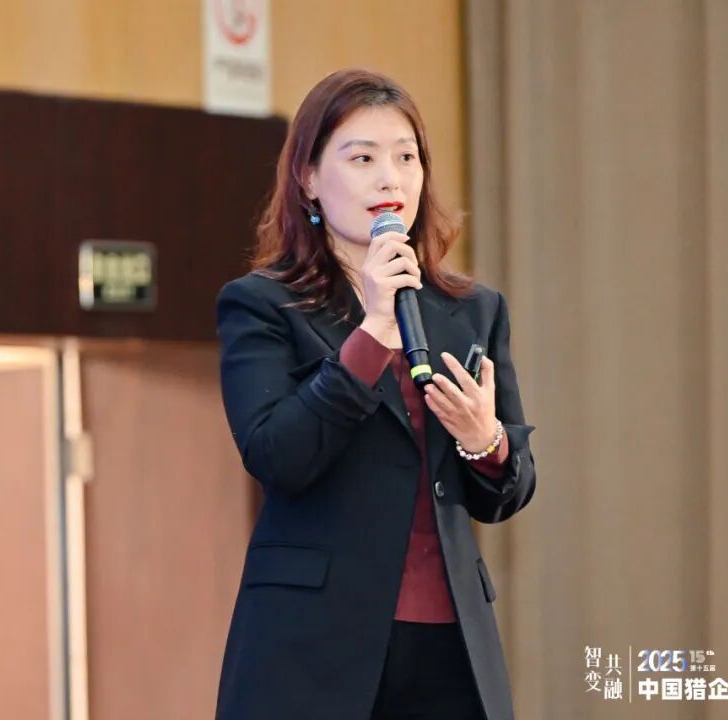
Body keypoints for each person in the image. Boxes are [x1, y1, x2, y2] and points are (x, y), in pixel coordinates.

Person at [214, 68, 537, 720]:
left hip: (449, 644)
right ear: (308, 177)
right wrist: (373, 332)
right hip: (312, 648)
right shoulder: (262, 306)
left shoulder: (473, 311)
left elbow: (510, 488)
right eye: (362, 158)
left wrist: (486, 442)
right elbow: (278, 455)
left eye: (406, 158)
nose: (390, 180)